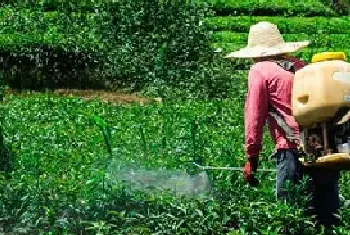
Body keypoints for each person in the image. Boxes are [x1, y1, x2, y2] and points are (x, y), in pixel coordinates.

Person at [224, 21, 341, 229]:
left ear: (255, 51)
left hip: (291, 149)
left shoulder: (259, 70)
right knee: (326, 216)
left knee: (289, 215)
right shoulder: (300, 66)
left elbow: (254, 116)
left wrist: (252, 157)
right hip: (324, 145)